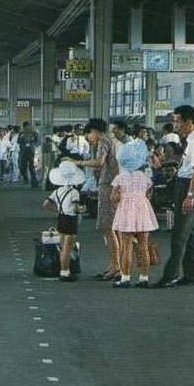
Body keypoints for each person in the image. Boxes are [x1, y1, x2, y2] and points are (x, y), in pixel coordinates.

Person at [66, 118, 120, 280]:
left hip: (109, 186)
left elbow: (99, 162)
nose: (88, 138)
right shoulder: (113, 140)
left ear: (95, 131)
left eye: (88, 134)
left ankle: (116, 265)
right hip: (112, 185)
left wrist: (76, 162)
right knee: (110, 228)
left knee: (107, 227)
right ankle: (114, 264)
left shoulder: (104, 141)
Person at [157, 105, 194, 288]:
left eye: (178, 121)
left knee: (179, 234)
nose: (175, 125)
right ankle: (191, 274)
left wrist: (190, 195)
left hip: (189, 186)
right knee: (189, 234)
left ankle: (170, 275)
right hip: (187, 185)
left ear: (189, 121)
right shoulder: (192, 139)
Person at [111, 140, 159, 288]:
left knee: (126, 246)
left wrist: (119, 198)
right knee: (143, 245)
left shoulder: (120, 178)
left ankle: (125, 278)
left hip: (126, 209)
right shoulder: (144, 177)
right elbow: (149, 194)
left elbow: (114, 197)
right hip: (142, 208)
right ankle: (144, 277)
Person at [43, 161, 86, 282]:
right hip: (71, 219)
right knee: (68, 248)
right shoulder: (74, 192)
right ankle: (65, 272)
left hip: (61, 218)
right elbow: (76, 208)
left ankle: (63, 270)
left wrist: (57, 210)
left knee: (62, 246)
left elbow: (45, 204)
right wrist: (82, 210)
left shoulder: (57, 191)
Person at [18, 121, 40, 187]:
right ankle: (26, 179)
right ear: (24, 127)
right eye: (26, 127)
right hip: (23, 152)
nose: (27, 128)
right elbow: (18, 142)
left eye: (28, 126)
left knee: (32, 167)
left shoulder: (34, 133)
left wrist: (33, 142)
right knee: (23, 167)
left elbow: (38, 141)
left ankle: (34, 181)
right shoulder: (21, 134)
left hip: (32, 152)